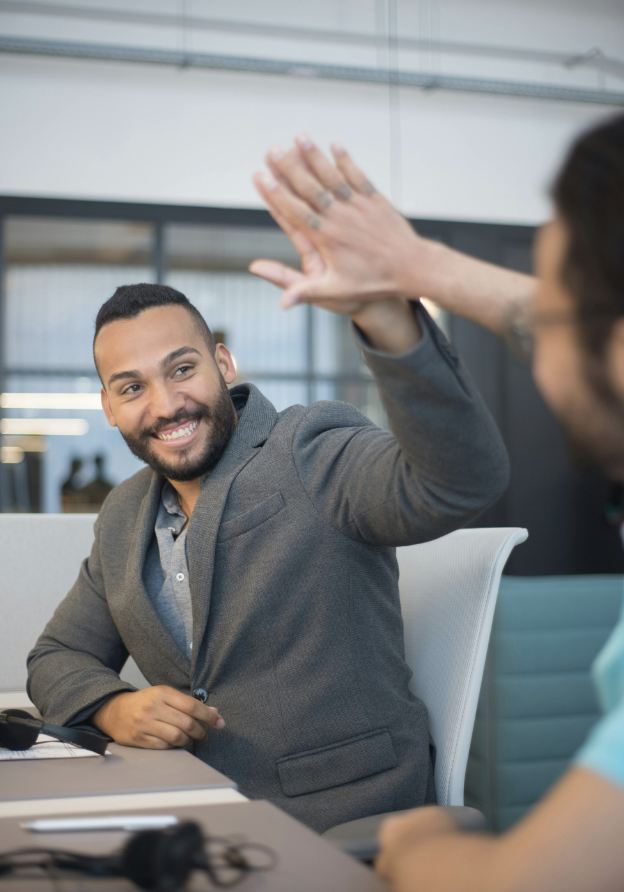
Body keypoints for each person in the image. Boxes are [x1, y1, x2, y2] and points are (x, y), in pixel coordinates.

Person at [247, 119, 624, 887]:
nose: (526, 331)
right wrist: (409, 271)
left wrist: (418, 846)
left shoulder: (309, 453)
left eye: (544, 323)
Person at [27, 269, 508, 831]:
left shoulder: (311, 446)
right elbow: (56, 657)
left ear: (223, 366)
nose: (166, 405)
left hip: (342, 819)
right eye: (132, 388)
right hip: (198, 816)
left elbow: (461, 481)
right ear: (109, 407)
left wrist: (392, 326)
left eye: (183, 369)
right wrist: (114, 707)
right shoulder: (123, 515)